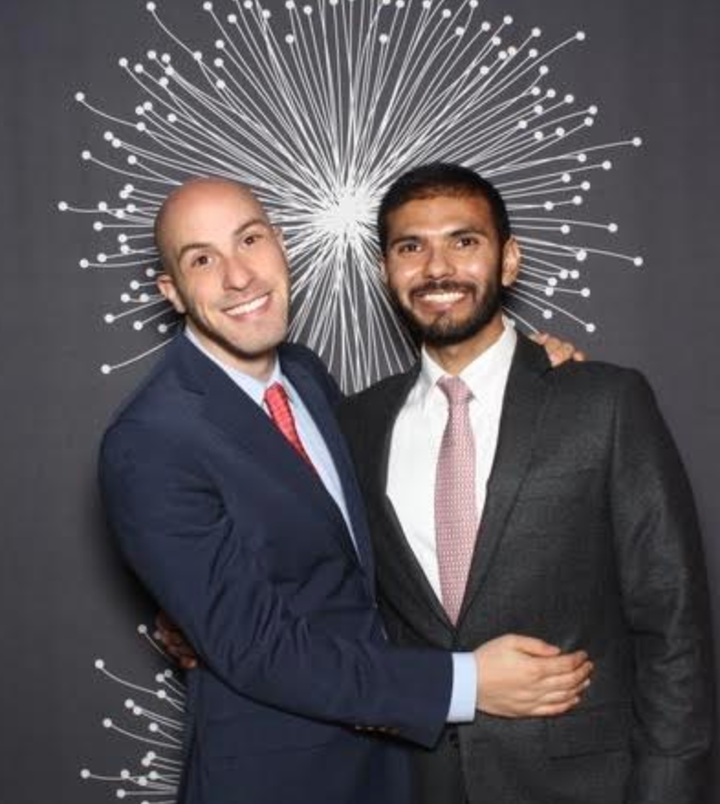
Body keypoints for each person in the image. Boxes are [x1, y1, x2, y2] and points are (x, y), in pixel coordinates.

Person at [99, 177, 593, 804]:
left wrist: (528, 372)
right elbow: (259, 649)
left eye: (250, 240)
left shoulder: (304, 375)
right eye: (202, 259)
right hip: (277, 780)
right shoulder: (150, 438)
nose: (239, 276)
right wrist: (467, 683)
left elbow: (346, 553)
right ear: (171, 292)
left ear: (281, 247)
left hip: (392, 766)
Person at [336, 162, 716, 804]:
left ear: (508, 261)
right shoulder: (355, 424)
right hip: (415, 783)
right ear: (385, 272)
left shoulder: (605, 401)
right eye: (411, 247)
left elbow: (672, 623)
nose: (436, 268)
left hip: (584, 783)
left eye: (464, 241)